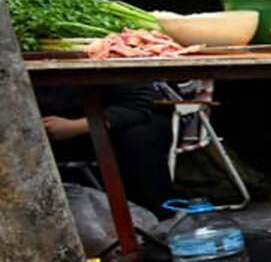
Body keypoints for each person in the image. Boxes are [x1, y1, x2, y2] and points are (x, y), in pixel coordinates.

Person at [37, 83, 175, 215]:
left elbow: (137, 105)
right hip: (49, 131)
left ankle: (151, 221)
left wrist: (77, 126)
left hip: (112, 126)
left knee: (139, 136)